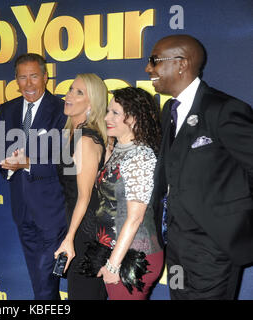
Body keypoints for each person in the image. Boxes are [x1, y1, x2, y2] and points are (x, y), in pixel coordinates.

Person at [147, 34, 253, 299]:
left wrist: (234, 223)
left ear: (181, 63)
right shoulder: (169, 109)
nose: (148, 69)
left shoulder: (224, 109)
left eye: (154, 61)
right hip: (175, 244)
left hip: (213, 246)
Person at [0, 53, 67, 300]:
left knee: (46, 280)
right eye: (22, 78)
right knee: (38, 279)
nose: (28, 84)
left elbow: (65, 161)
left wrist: (27, 164)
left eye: (34, 76)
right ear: (15, 80)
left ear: (45, 77)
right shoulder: (7, 109)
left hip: (52, 210)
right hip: (21, 208)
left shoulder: (61, 109)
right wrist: (5, 162)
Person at [94, 87, 163, 300]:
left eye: (115, 113)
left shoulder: (140, 156)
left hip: (134, 257)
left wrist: (113, 266)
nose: (106, 117)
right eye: (108, 111)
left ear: (133, 118)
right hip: (117, 252)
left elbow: (135, 218)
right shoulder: (120, 149)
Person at [53, 73, 108, 300]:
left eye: (79, 92)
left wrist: (69, 238)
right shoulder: (70, 134)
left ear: (92, 103)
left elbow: (84, 197)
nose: (69, 96)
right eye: (70, 89)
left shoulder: (85, 140)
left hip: (88, 231)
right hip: (76, 223)